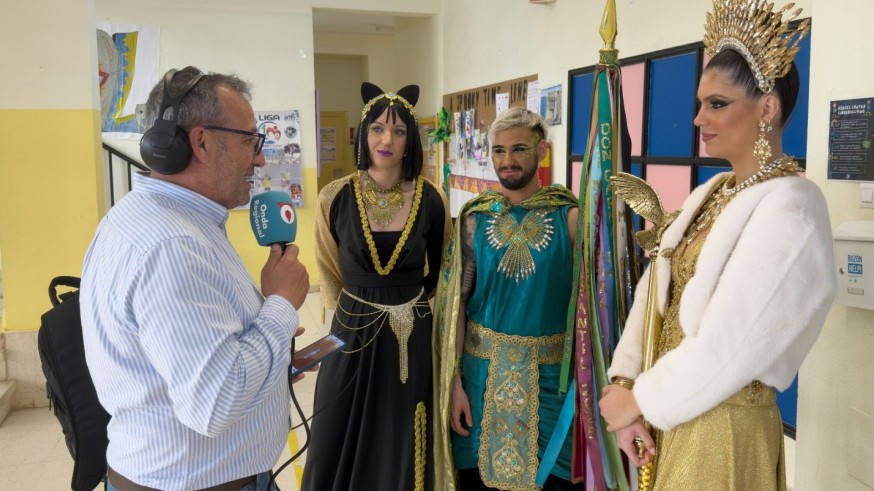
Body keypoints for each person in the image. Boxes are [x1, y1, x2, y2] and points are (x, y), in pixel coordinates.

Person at [599, 1, 835, 489]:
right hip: (673, 411)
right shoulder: (712, 192)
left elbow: (732, 342)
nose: (698, 118)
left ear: (767, 107)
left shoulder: (794, 208)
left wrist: (641, 399)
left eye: (717, 104)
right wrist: (626, 381)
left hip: (726, 427)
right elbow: (654, 291)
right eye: (701, 103)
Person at [80, 66, 310, 491]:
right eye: (250, 141)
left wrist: (271, 361)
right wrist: (280, 304)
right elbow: (216, 402)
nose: (259, 158)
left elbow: (201, 361)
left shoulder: (159, 220)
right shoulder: (172, 246)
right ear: (201, 142)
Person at [302, 82, 450, 491]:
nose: (387, 140)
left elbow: (443, 268)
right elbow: (329, 266)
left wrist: (408, 305)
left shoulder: (431, 198)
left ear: (410, 140)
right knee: (338, 420)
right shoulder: (334, 196)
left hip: (411, 333)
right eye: (378, 129)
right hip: (351, 328)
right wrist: (347, 313)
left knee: (402, 426)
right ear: (363, 134)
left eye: (399, 131)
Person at [435, 107, 582, 490]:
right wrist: (454, 385)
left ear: (543, 150)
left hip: (552, 386)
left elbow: (590, 314)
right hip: (480, 381)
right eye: (498, 151)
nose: (507, 160)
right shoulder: (473, 219)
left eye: (519, 149)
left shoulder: (571, 219)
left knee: (553, 480)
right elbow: (456, 308)